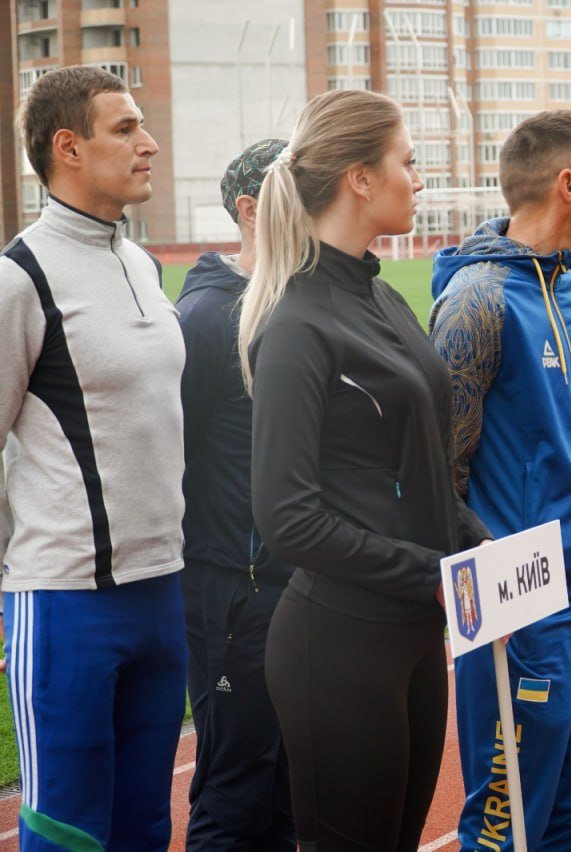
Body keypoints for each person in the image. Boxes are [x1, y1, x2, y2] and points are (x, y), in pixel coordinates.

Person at [242, 89, 492, 850]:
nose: (418, 180)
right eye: (407, 163)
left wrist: (479, 545)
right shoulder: (296, 326)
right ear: (359, 178)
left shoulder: (384, 296)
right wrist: (433, 573)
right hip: (340, 646)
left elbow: (423, 465)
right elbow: (286, 517)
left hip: (417, 634)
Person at [0, 65, 187, 849]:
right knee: (69, 833)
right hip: (66, 602)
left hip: (163, 592)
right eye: (126, 129)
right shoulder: (19, 278)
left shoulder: (140, 263)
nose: (148, 145)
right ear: (68, 147)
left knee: (144, 824)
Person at [428, 110, 571, 852]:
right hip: (520, 606)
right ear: (567, 184)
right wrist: (490, 593)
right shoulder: (476, 301)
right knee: (507, 824)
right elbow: (439, 473)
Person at [177, 138, 295, 850]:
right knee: (235, 788)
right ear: (250, 211)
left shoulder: (288, 305)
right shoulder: (206, 320)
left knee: (284, 790)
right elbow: (174, 458)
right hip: (233, 597)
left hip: (295, 589)